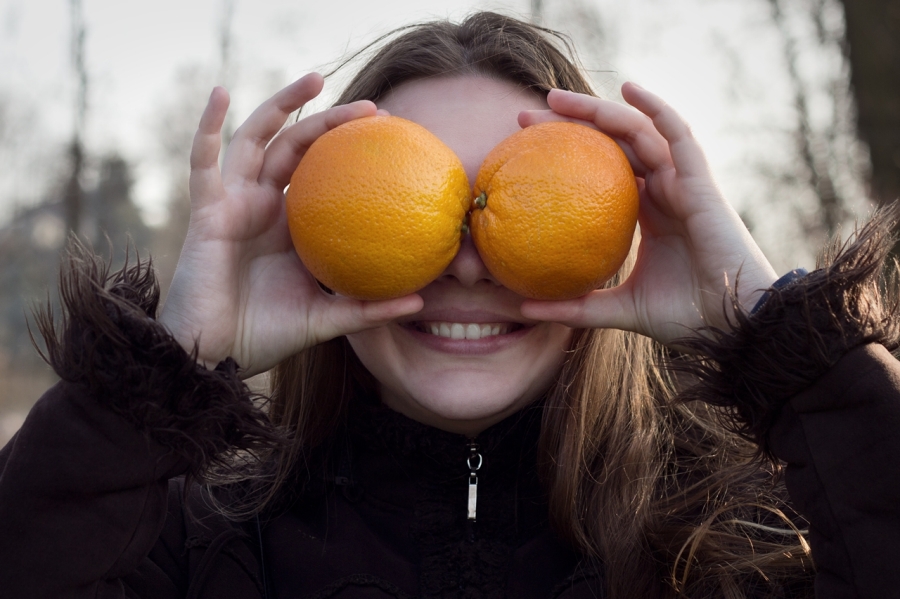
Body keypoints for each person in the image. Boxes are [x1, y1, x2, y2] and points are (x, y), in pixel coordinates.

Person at [1, 11, 898, 599]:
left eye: (514, 195)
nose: (468, 262)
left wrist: (772, 329)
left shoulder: (758, 534)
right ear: (316, 231)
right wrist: (165, 378)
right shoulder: (193, 541)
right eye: (413, 198)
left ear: (614, 228)